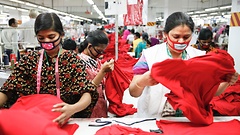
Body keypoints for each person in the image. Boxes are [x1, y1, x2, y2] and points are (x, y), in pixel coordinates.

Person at [128, 12, 239, 118]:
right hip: (154, 118)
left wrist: (226, 82)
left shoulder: (200, 57)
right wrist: (142, 81)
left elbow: (210, 93)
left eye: (186, 37)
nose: (181, 41)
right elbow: (133, 92)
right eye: (176, 36)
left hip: (188, 118)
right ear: (165, 34)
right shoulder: (149, 55)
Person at [0, 13, 99, 125]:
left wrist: (72, 108)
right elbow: (8, 89)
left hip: (62, 120)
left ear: (61, 35)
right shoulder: (29, 60)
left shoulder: (71, 60)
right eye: (41, 38)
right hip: (33, 120)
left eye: (51, 37)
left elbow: (87, 92)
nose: (46, 42)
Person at [78, 29, 114, 118]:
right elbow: (87, 89)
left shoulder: (97, 61)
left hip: (100, 105)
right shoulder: (78, 63)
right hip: (88, 107)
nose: (100, 54)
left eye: (102, 52)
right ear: (89, 46)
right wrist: (102, 72)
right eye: (98, 51)